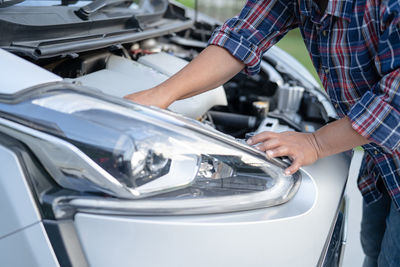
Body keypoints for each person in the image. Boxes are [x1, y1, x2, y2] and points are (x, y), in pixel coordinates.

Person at [124, 0, 400, 265]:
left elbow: (395, 100)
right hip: (383, 164)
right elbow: (241, 40)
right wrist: (161, 94)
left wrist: (317, 143)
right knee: (376, 252)